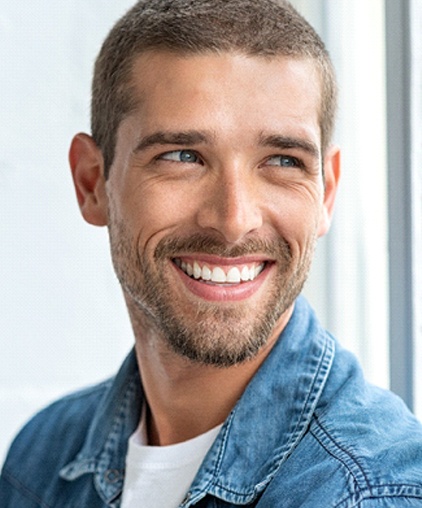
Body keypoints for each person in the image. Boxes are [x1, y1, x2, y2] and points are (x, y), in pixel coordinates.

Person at [1, 0, 422, 506]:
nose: (233, 219)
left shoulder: (372, 492)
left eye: (283, 161)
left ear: (326, 193)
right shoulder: (40, 460)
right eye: (182, 157)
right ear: (92, 182)